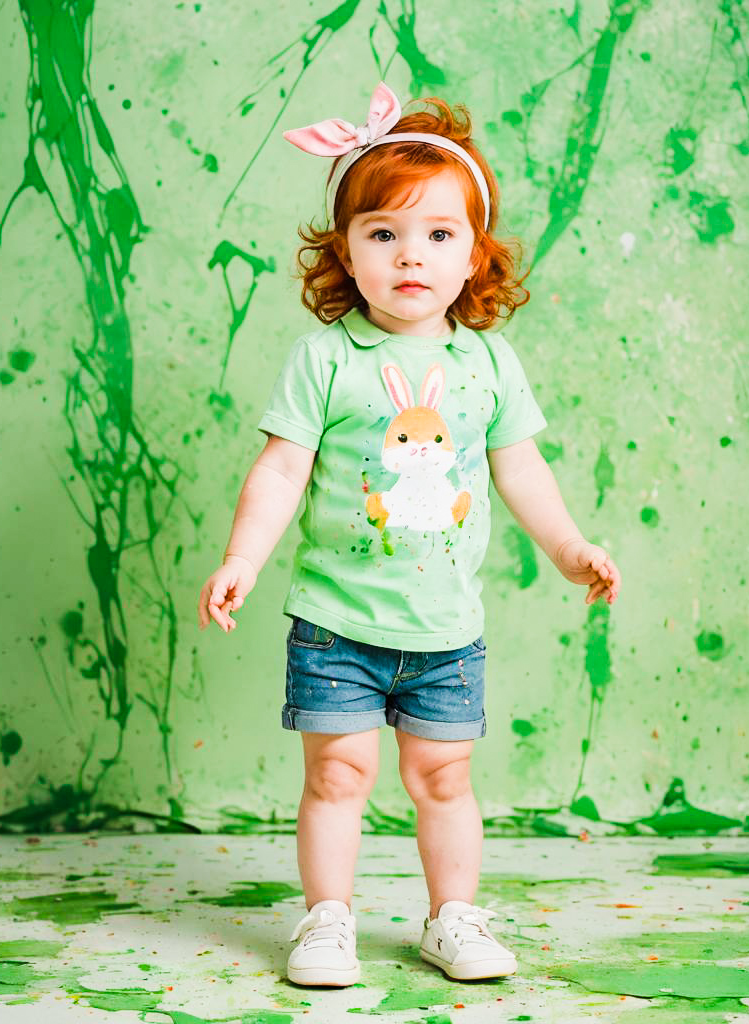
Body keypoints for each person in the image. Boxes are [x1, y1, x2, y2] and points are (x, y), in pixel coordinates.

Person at [197, 82, 621, 988]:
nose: (410, 255)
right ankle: (327, 922)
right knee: (338, 779)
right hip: (336, 623)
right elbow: (279, 471)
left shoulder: (487, 363)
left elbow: (520, 471)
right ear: (345, 252)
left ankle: (452, 919)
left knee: (443, 782)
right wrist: (242, 558)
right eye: (383, 233)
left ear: (475, 255)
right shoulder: (325, 358)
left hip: (444, 632)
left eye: (438, 235)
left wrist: (568, 547)